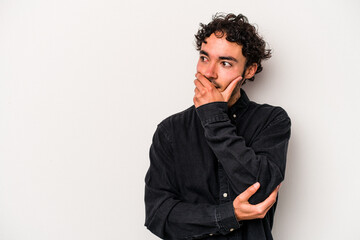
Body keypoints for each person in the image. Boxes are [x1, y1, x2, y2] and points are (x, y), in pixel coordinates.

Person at [144, 13, 291, 240]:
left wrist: (214, 117)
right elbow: (158, 215)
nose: (208, 72)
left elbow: (259, 193)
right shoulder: (170, 131)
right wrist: (227, 215)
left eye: (225, 63)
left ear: (249, 70)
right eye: (204, 58)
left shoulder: (271, 120)